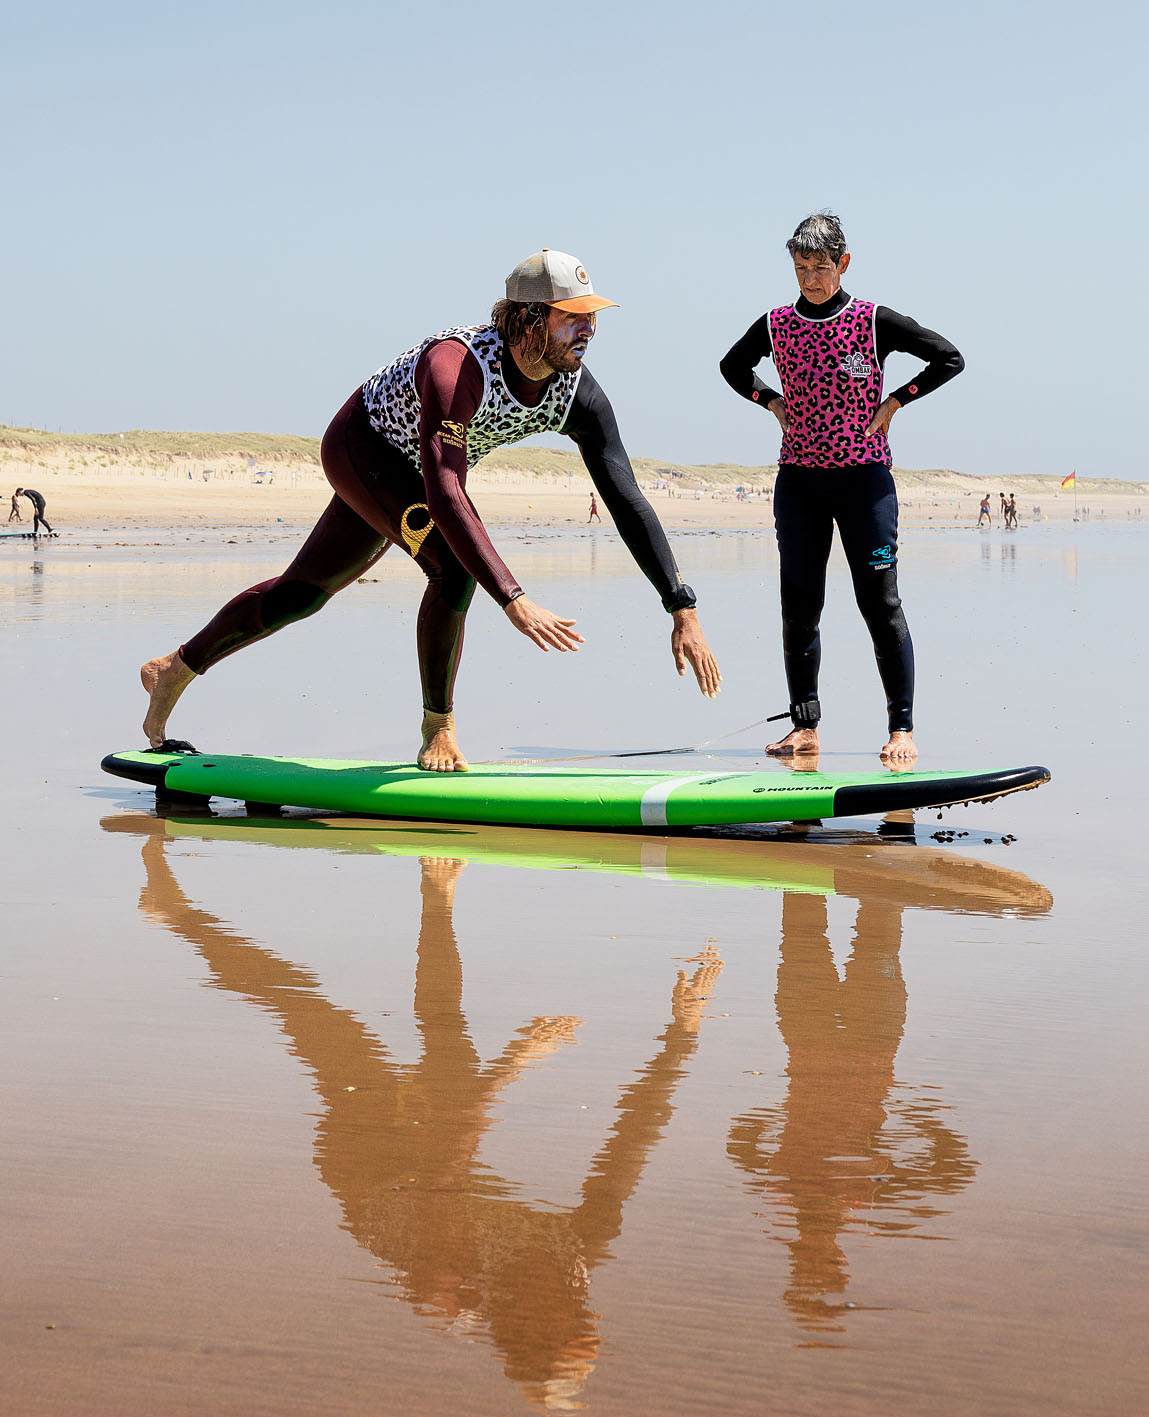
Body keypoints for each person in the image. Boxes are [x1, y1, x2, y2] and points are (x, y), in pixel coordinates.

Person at [141, 249, 721, 770]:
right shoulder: (457, 367)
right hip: (363, 446)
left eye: (592, 316)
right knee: (452, 568)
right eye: (573, 315)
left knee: (302, 593)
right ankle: (437, 729)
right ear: (528, 319)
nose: (589, 329)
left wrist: (681, 604)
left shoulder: (577, 393)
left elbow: (623, 494)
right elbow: (445, 489)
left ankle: (173, 669)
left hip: (417, 471)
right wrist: (513, 598)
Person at [720, 212, 964, 761]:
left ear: (844, 263)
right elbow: (732, 366)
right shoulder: (777, 323)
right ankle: (805, 726)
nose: (810, 279)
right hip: (800, 482)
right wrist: (769, 400)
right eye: (801, 268)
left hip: (864, 484)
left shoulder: (874, 320)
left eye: (821, 267)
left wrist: (899, 398)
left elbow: (949, 357)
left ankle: (901, 729)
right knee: (800, 606)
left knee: (880, 603)